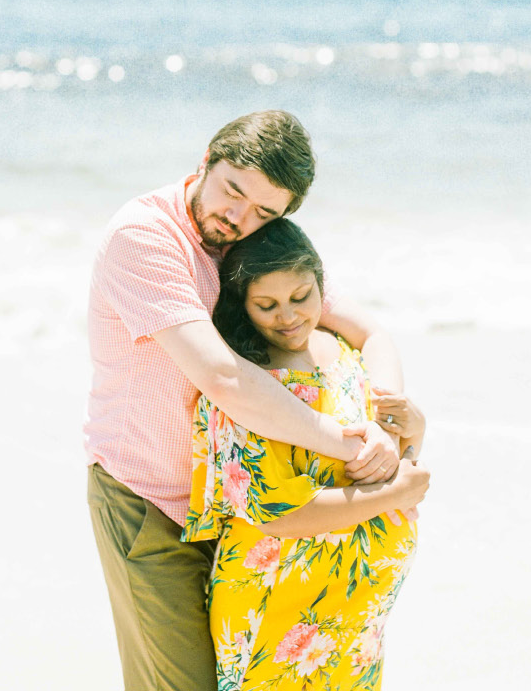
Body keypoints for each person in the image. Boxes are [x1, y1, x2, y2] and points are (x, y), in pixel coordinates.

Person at [85, 110, 409, 691]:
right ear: (206, 161)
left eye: (266, 211)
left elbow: (367, 332)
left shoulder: (250, 234)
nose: (238, 218)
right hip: (153, 502)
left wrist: (385, 418)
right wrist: (351, 444)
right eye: (233, 191)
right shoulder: (146, 236)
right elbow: (222, 376)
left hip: (240, 514)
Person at [185, 218, 428, 690]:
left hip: (356, 613)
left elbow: (379, 468)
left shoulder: (342, 354)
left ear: (322, 284)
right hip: (275, 607)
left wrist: (413, 438)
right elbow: (276, 515)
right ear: (243, 305)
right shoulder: (244, 384)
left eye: (302, 297)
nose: (289, 316)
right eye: (267, 305)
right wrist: (398, 492)